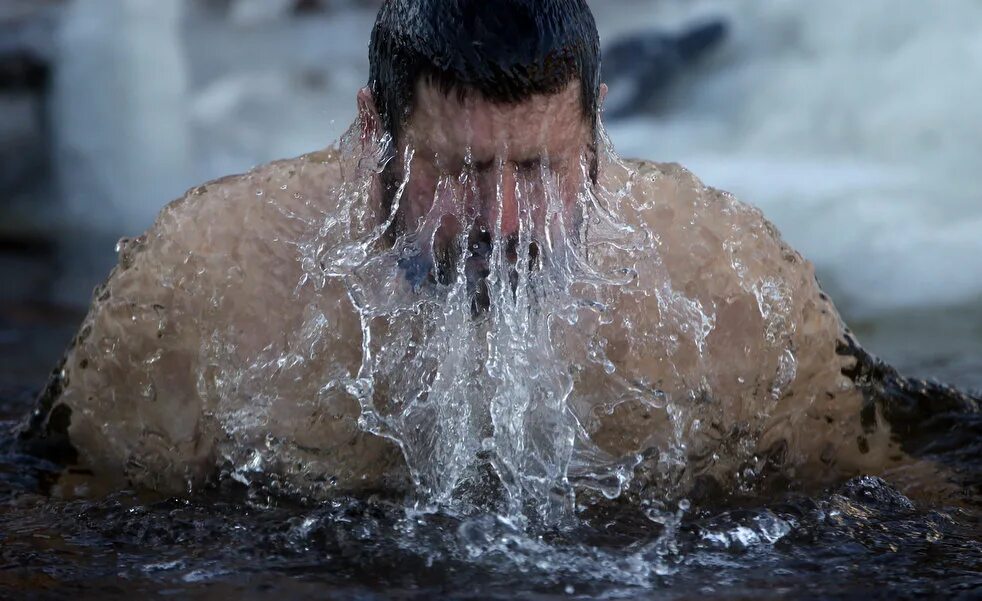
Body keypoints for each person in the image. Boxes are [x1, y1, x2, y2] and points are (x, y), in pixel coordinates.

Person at [20, 0, 977, 506]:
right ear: (374, 133)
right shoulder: (210, 279)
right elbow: (65, 500)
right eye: (464, 170)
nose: (507, 221)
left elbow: (891, 477)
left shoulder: (723, 278)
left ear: (598, 129)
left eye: (540, 166)